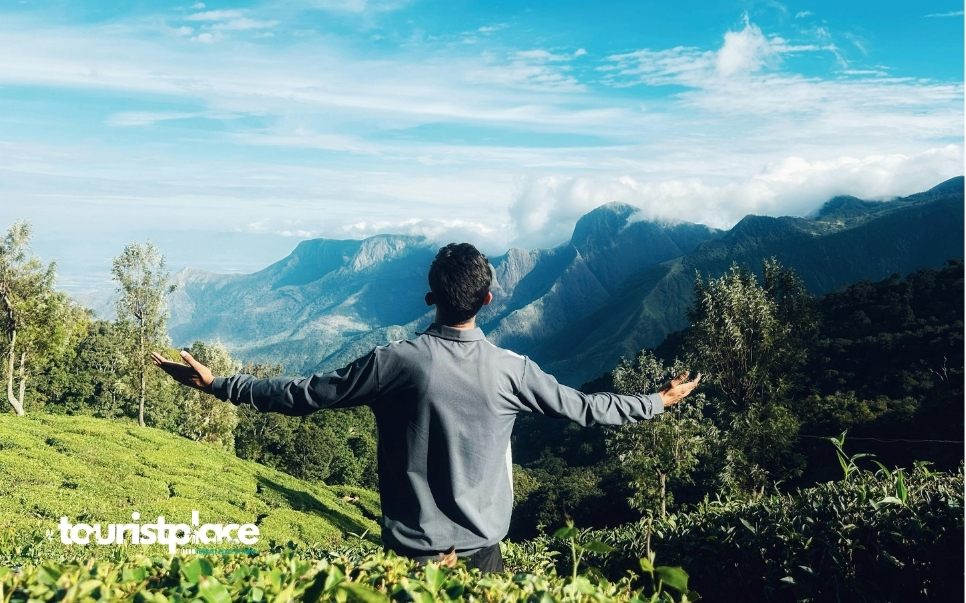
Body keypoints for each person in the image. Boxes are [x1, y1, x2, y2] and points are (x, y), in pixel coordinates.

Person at [152, 242, 701, 573]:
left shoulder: (396, 362)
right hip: (486, 556)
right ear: (489, 300)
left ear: (430, 297)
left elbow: (305, 395)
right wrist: (658, 400)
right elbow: (586, 409)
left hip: (411, 559)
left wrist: (218, 384)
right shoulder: (514, 370)